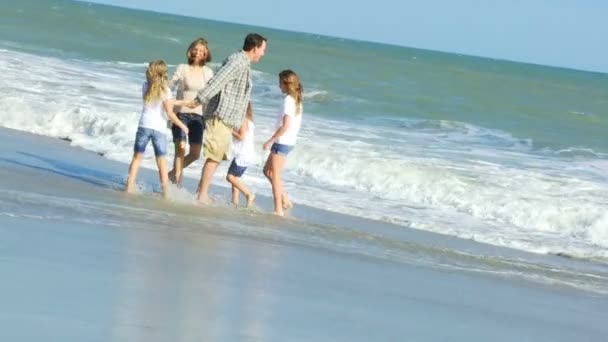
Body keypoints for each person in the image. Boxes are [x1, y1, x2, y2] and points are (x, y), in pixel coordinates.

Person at [186, 33, 267, 204]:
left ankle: (200, 192)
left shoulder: (243, 63)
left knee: (217, 157)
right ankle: (202, 195)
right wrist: (199, 100)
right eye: (263, 49)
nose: (263, 53)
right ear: (254, 48)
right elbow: (218, 80)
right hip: (220, 115)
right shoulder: (238, 61)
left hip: (227, 119)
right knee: (214, 157)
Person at [126, 60, 189, 198]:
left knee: (137, 158)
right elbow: (169, 112)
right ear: (163, 73)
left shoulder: (145, 86)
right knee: (161, 161)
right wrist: (182, 125)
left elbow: (161, 101)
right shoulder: (166, 90)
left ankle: (129, 186)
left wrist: (182, 102)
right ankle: (166, 192)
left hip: (144, 126)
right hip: (159, 129)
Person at [168, 38, 214, 185]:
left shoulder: (208, 72)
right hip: (181, 114)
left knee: (195, 154)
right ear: (190, 50)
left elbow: (212, 95)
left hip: (199, 117)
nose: (198, 52)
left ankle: (172, 174)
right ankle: (176, 185)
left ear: (206, 54)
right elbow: (170, 86)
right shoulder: (182, 68)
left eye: (201, 51)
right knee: (180, 149)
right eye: (195, 49)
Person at [262, 69, 304, 216]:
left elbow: (285, 125)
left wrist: (270, 140)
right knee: (267, 171)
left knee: (275, 175)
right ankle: (285, 199)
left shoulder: (288, 101)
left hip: (282, 141)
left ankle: (278, 209)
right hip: (288, 141)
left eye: (280, 82)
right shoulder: (296, 100)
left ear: (286, 84)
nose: (278, 85)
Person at [226, 103, 256, 208]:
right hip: (247, 154)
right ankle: (234, 203)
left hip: (242, 154)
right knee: (235, 178)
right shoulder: (250, 121)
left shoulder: (243, 119)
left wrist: (229, 130)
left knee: (230, 177)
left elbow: (241, 136)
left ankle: (248, 194)